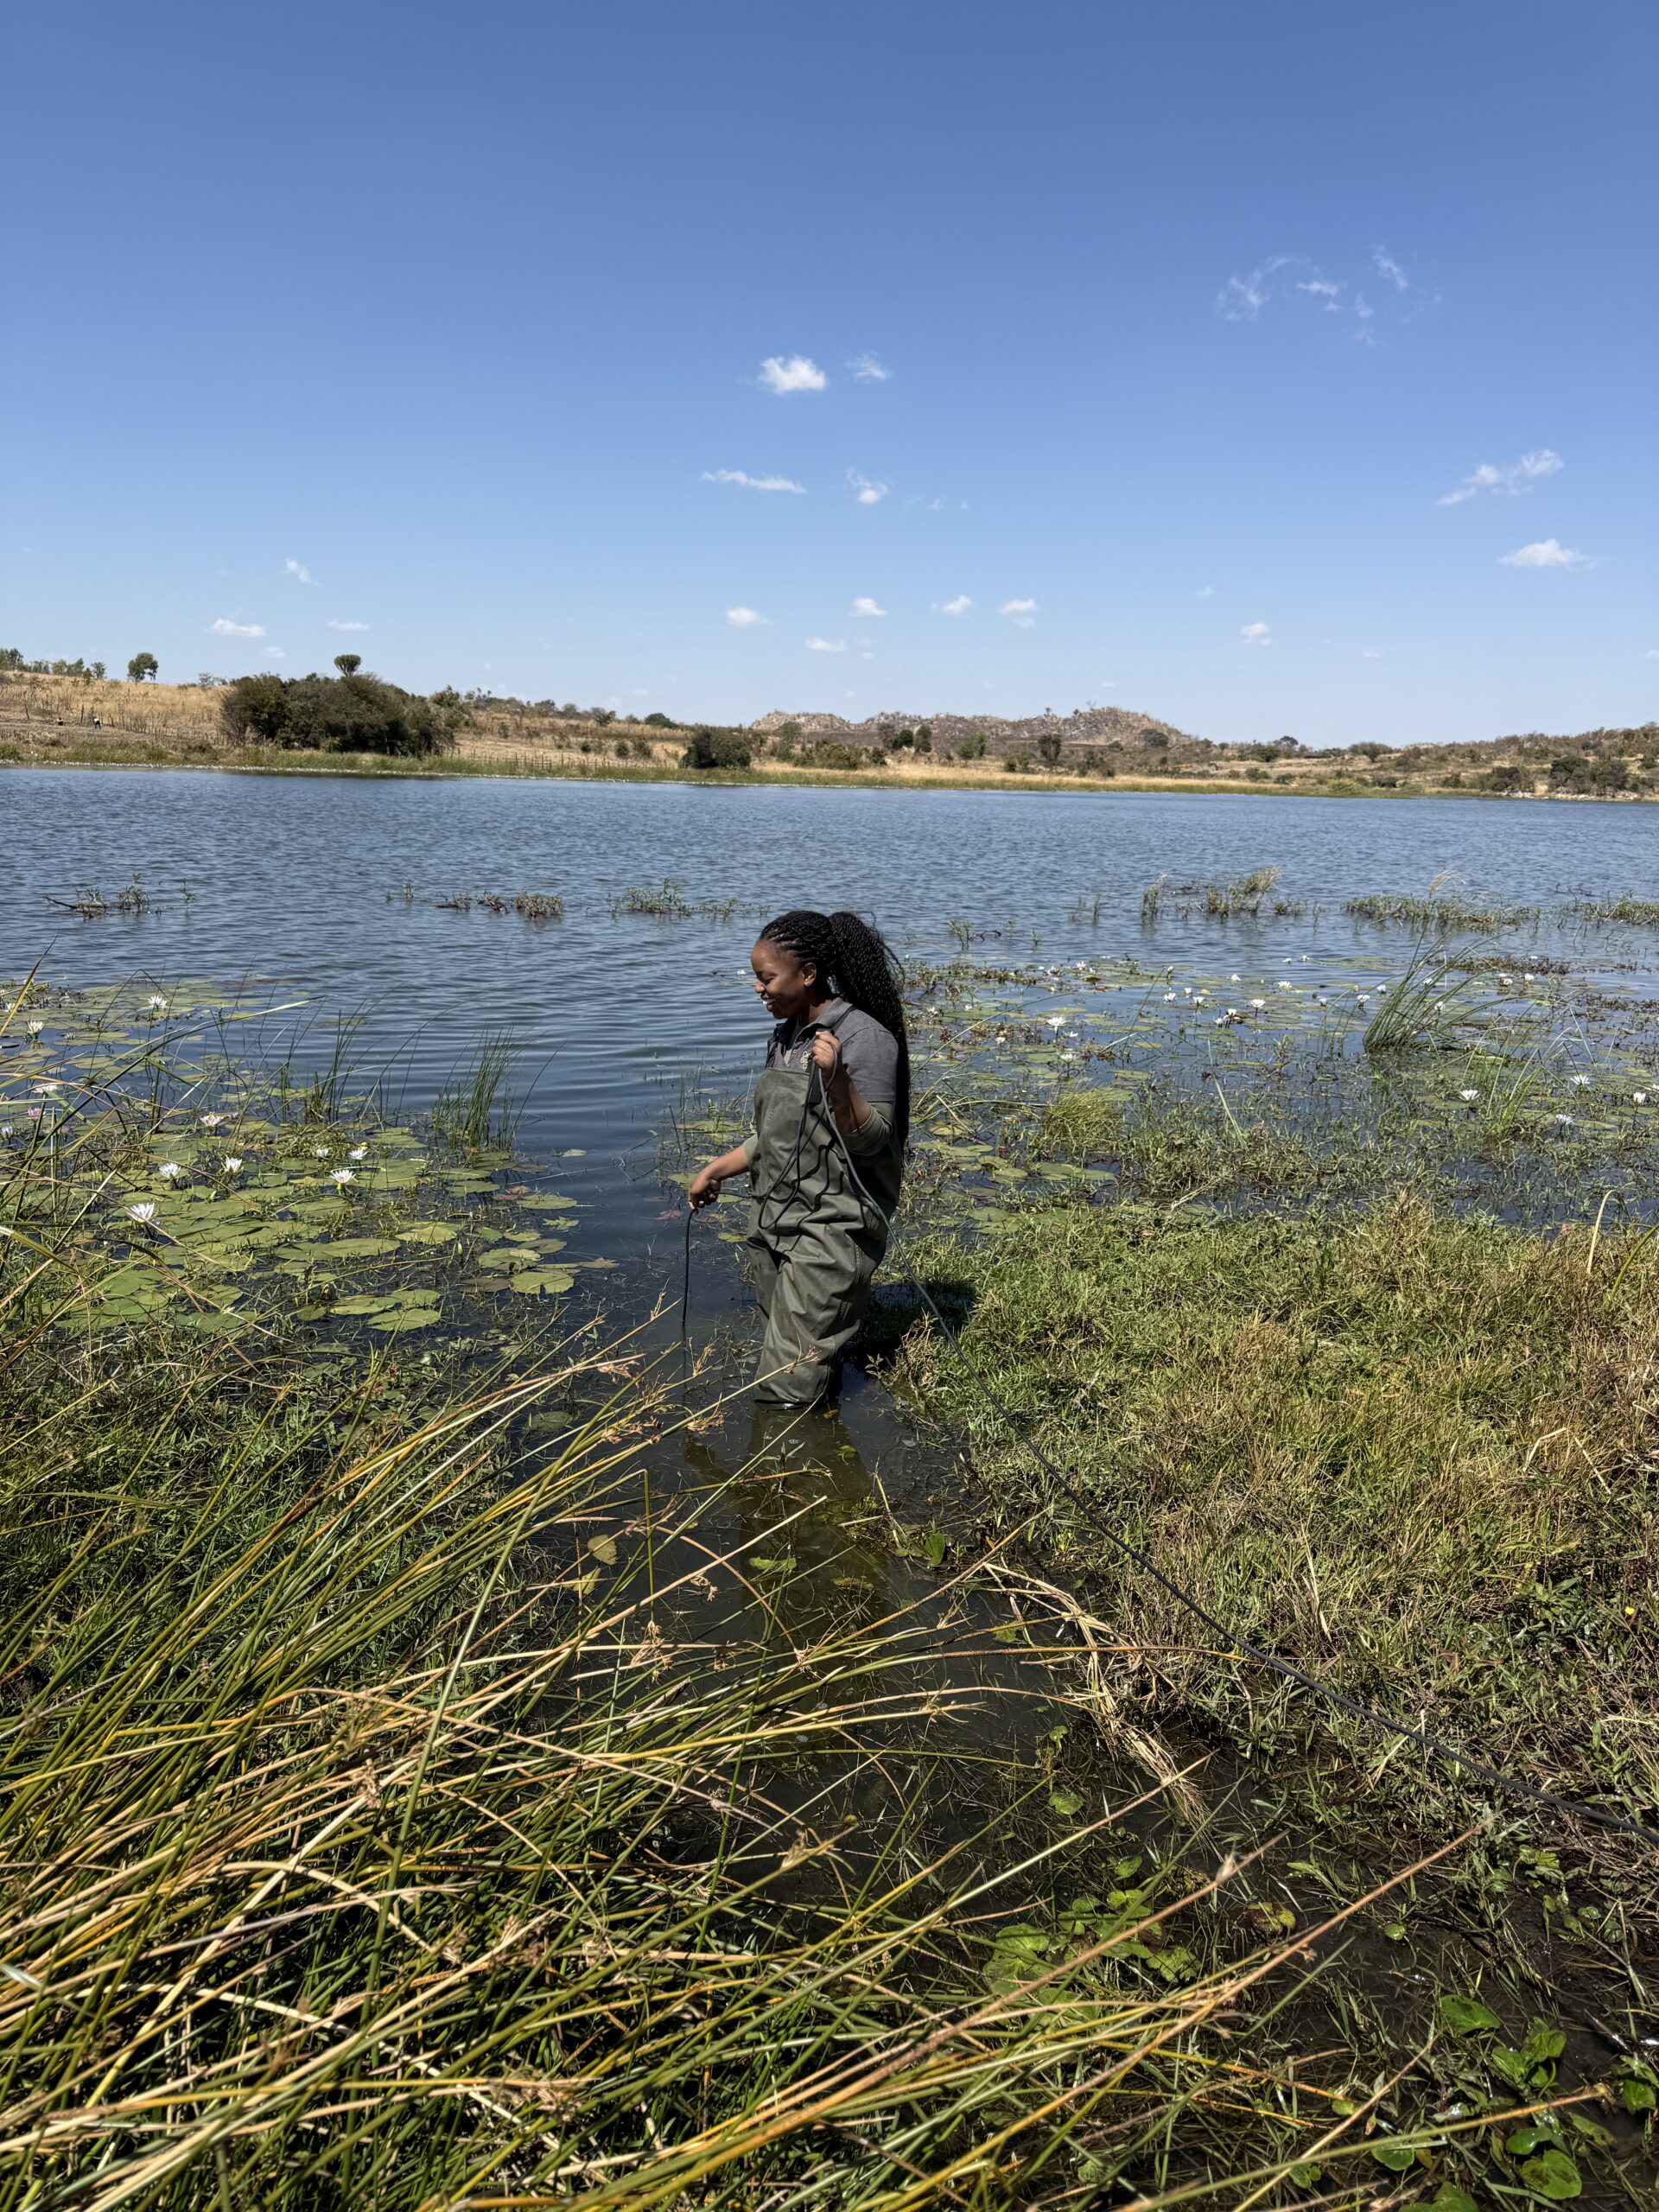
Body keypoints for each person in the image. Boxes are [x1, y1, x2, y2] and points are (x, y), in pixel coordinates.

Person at [690, 908, 909, 1407]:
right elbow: (777, 1137)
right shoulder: (785, 1036)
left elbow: (874, 1139)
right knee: (794, 1364)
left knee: (782, 1388)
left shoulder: (863, 1038)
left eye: (767, 978)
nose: (758, 989)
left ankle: (785, 1469)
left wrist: (841, 1082)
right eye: (756, 979)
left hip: (834, 1229)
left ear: (808, 975)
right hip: (775, 1219)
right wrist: (716, 1169)